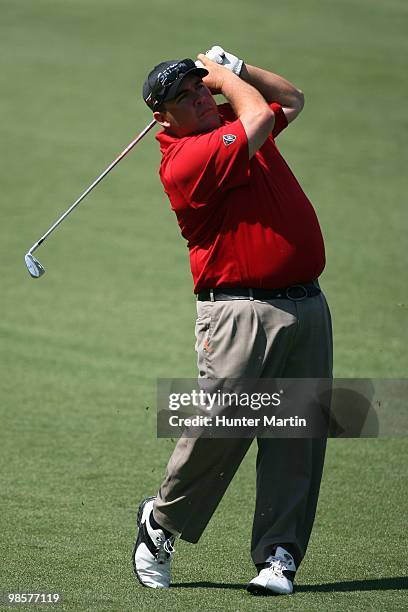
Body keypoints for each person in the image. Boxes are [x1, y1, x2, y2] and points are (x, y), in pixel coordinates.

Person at [133, 46, 333, 595]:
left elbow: (289, 98)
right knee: (221, 428)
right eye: (183, 97)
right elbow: (263, 115)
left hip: (307, 305)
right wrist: (222, 76)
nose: (199, 96)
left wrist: (239, 71)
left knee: (297, 435)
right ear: (162, 117)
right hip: (239, 311)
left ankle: (278, 557)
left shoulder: (230, 123)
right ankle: (162, 524)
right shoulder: (186, 159)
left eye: (199, 87)